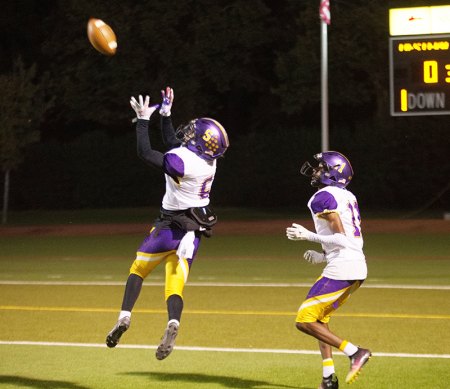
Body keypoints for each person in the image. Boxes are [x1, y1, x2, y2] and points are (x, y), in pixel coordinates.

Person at [106, 87, 229, 360]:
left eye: (193, 133)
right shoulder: (208, 164)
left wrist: (142, 120)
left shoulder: (183, 161)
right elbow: (174, 142)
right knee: (174, 286)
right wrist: (165, 113)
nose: (188, 134)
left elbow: (145, 152)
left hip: (167, 227)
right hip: (193, 232)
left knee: (137, 270)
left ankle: (125, 316)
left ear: (198, 142)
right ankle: (173, 322)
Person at [286, 151, 371, 389]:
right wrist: (322, 254)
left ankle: (355, 352)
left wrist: (308, 236)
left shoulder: (323, 196)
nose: (316, 171)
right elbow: (347, 240)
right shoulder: (347, 196)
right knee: (320, 321)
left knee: (304, 320)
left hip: (343, 267)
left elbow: (342, 238)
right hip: (353, 266)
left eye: (321, 168)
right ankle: (328, 379)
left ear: (333, 173)